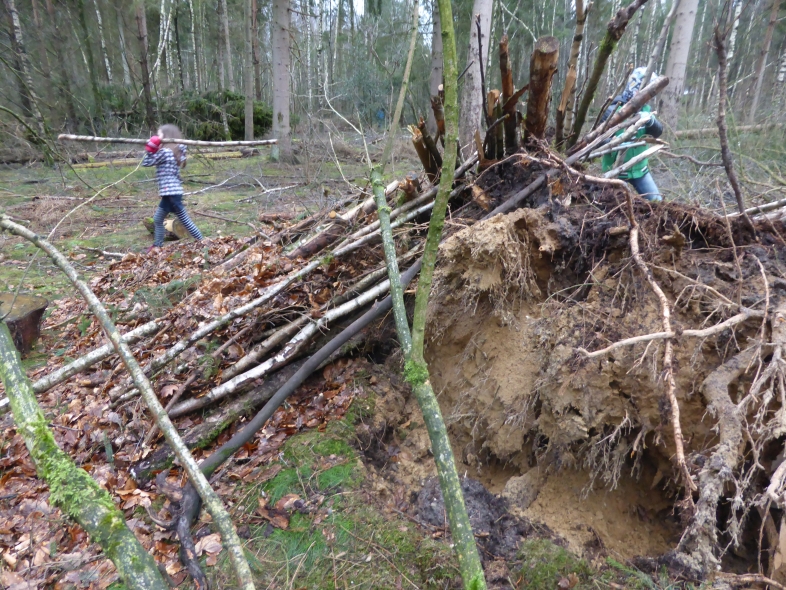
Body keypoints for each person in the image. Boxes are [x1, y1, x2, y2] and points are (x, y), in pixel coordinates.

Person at [601, 67, 664, 202]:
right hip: (615, 172)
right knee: (613, 208)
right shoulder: (612, 111)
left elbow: (657, 132)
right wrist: (617, 143)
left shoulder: (646, 110)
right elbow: (599, 140)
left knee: (658, 204)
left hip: (640, 170)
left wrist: (650, 120)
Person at [142, 123, 203, 251]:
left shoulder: (165, 152)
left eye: (159, 135)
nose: (157, 137)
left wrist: (150, 149)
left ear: (166, 136)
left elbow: (147, 162)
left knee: (185, 220)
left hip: (171, 194)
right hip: (171, 193)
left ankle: (202, 241)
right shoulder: (176, 152)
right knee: (158, 220)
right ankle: (157, 246)